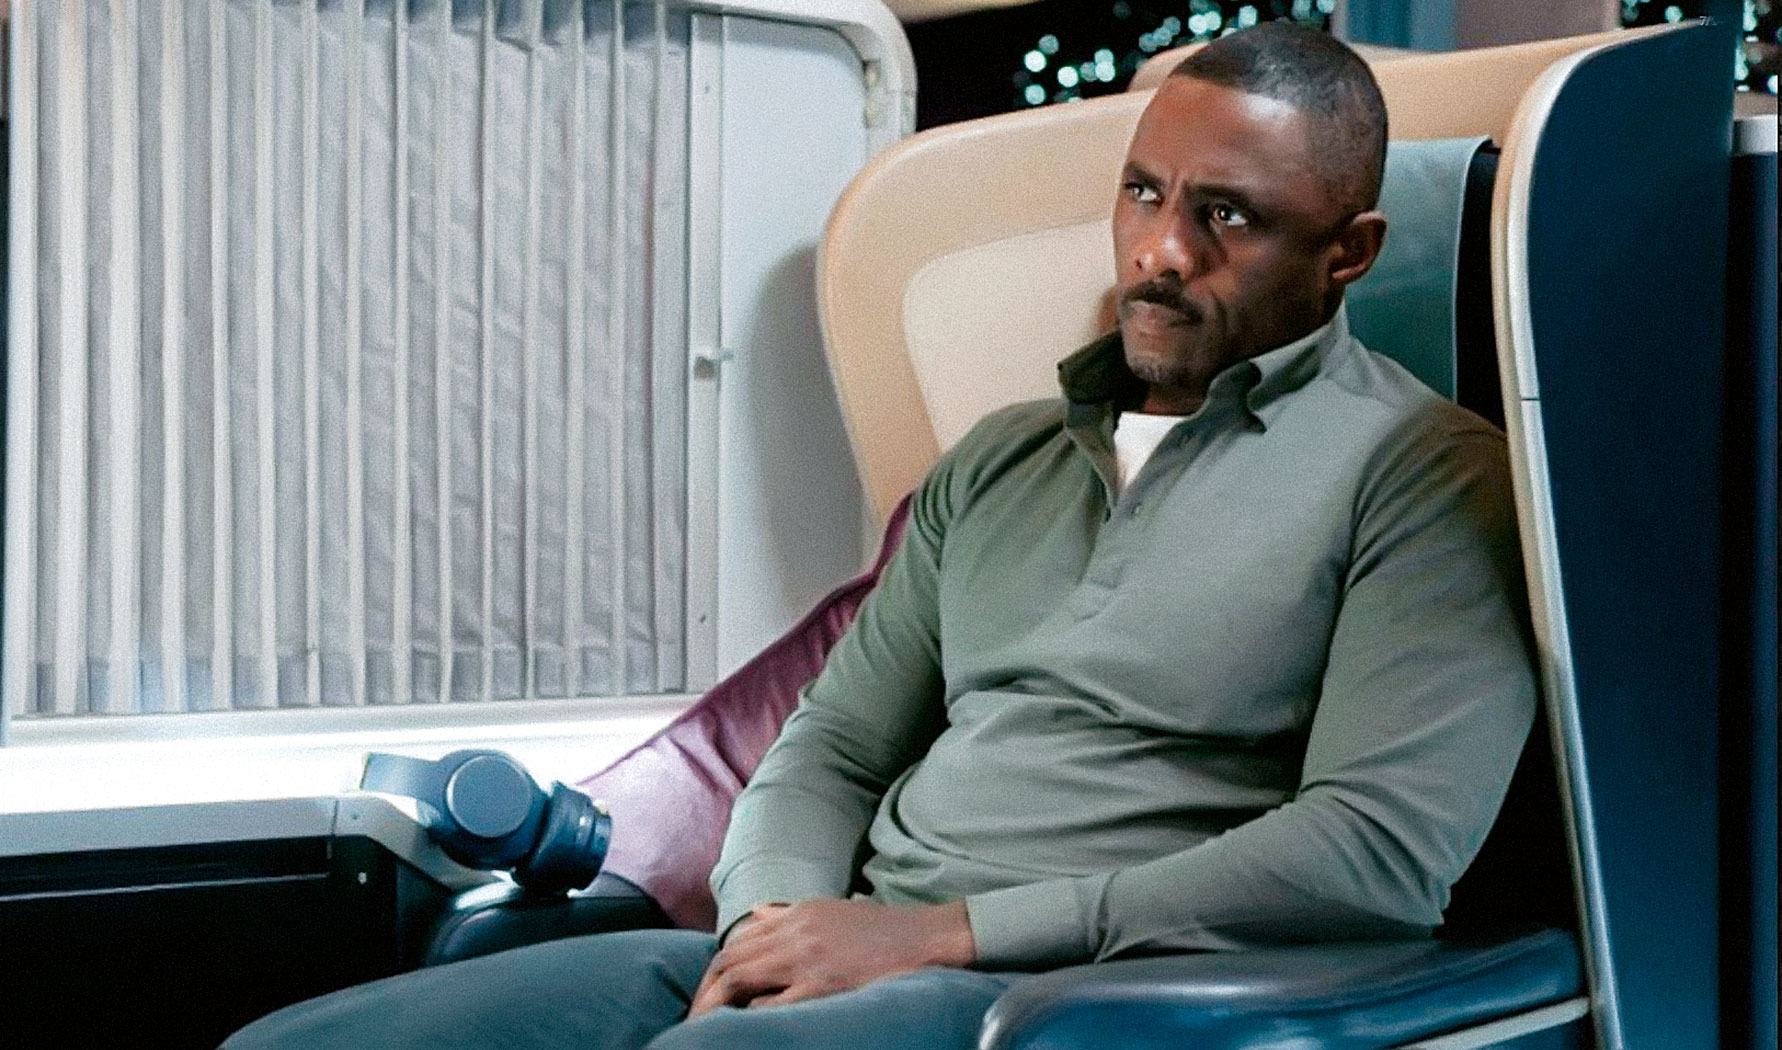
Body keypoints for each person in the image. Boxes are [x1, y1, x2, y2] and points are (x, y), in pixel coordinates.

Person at [223, 20, 1534, 1050]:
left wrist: (943, 936)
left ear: (1350, 251)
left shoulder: (1424, 476)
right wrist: (769, 928)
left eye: (1225, 217)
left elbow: (1373, 856)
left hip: (1075, 994)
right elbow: (832, 747)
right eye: (1143, 194)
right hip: (850, 950)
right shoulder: (1000, 459)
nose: (1161, 252)